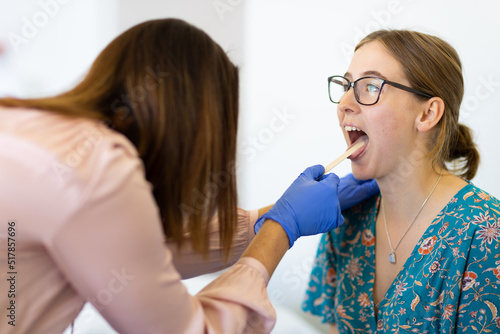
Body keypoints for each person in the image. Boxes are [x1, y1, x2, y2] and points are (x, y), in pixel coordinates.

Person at [0, 19, 378, 334]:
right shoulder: (94, 169)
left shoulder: (31, 127)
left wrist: (271, 217)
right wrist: (282, 229)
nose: (346, 103)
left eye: (371, 88)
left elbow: (135, 253)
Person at [302, 29, 500, 333]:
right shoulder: (343, 220)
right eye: (345, 85)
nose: (342, 103)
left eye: (369, 86)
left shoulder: (487, 234)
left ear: (427, 114)